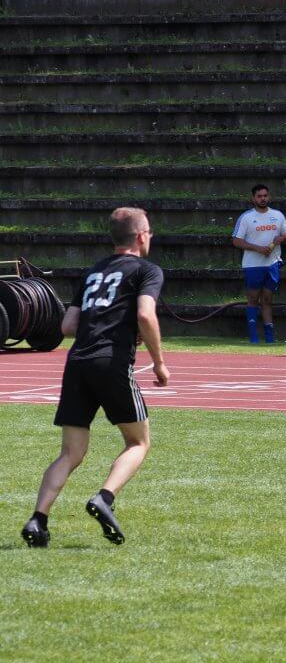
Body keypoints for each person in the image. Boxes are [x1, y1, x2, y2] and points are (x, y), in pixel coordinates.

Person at [21, 207, 169, 548]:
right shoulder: (147, 270)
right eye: (149, 231)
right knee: (138, 442)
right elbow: (146, 315)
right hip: (110, 361)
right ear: (141, 236)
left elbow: (68, 325)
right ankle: (105, 497)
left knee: (70, 453)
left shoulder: (94, 271)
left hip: (77, 362)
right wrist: (159, 363)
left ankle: (38, 520)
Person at [231, 184, 286, 344]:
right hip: (253, 265)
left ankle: (269, 338)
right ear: (253, 198)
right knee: (253, 299)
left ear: (269, 197)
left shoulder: (277, 215)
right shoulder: (246, 217)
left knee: (267, 299)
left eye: (265, 196)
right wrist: (257, 248)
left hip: (272, 264)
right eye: (259, 196)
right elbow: (236, 240)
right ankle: (253, 337)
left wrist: (282, 238)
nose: (263, 199)